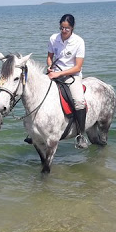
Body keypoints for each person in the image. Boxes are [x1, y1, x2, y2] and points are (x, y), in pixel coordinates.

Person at [47, 13, 88, 149]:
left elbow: (77, 67)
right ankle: (35, 132)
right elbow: (49, 57)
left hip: (72, 75)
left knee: (79, 101)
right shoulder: (53, 38)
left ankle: (81, 136)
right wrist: (49, 66)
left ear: (72, 27)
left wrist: (59, 73)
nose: (63, 31)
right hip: (55, 72)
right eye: (61, 28)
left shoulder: (79, 42)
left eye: (67, 29)